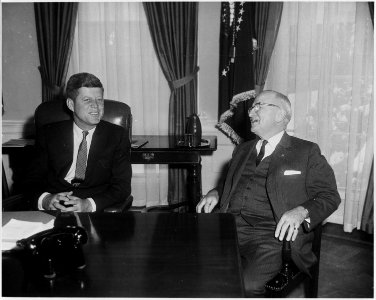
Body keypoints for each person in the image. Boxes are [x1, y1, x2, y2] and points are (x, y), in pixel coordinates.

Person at [196, 90, 340, 296]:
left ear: (281, 115)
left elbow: (330, 195)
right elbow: (231, 183)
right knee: (193, 267)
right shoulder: (242, 149)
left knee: (246, 285)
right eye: (252, 107)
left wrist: (301, 211)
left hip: (272, 237)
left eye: (258, 106)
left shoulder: (306, 152)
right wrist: (215, 193)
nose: (250, 112)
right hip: (228, 227)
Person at [25, 72, 132, 212]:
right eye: (87, 100)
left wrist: (88, 204)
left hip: (94, 208)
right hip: (54, 209)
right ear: (71, 104)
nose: (96, 106)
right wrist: (45, 200)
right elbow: (30, 181)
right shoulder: (49, 133)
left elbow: (122, 187)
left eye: (99, 100)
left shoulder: (117, 136)